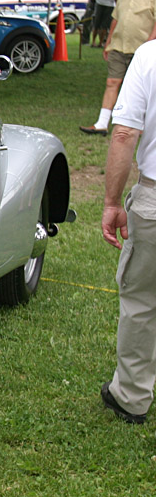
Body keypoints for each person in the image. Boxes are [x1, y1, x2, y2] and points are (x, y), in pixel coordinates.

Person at [98, 38, 156, 424]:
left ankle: (132, 396)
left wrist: (112, 202)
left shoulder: (150, 56)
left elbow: (123, 133)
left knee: (142, 300)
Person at [80, 0, 156, 136]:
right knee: (112, 82)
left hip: (142, 51)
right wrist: (108, 42)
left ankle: (144, 128)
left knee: (143, 90)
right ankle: (101, 124)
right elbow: (115, 18)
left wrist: (150, 44)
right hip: (119, 47)